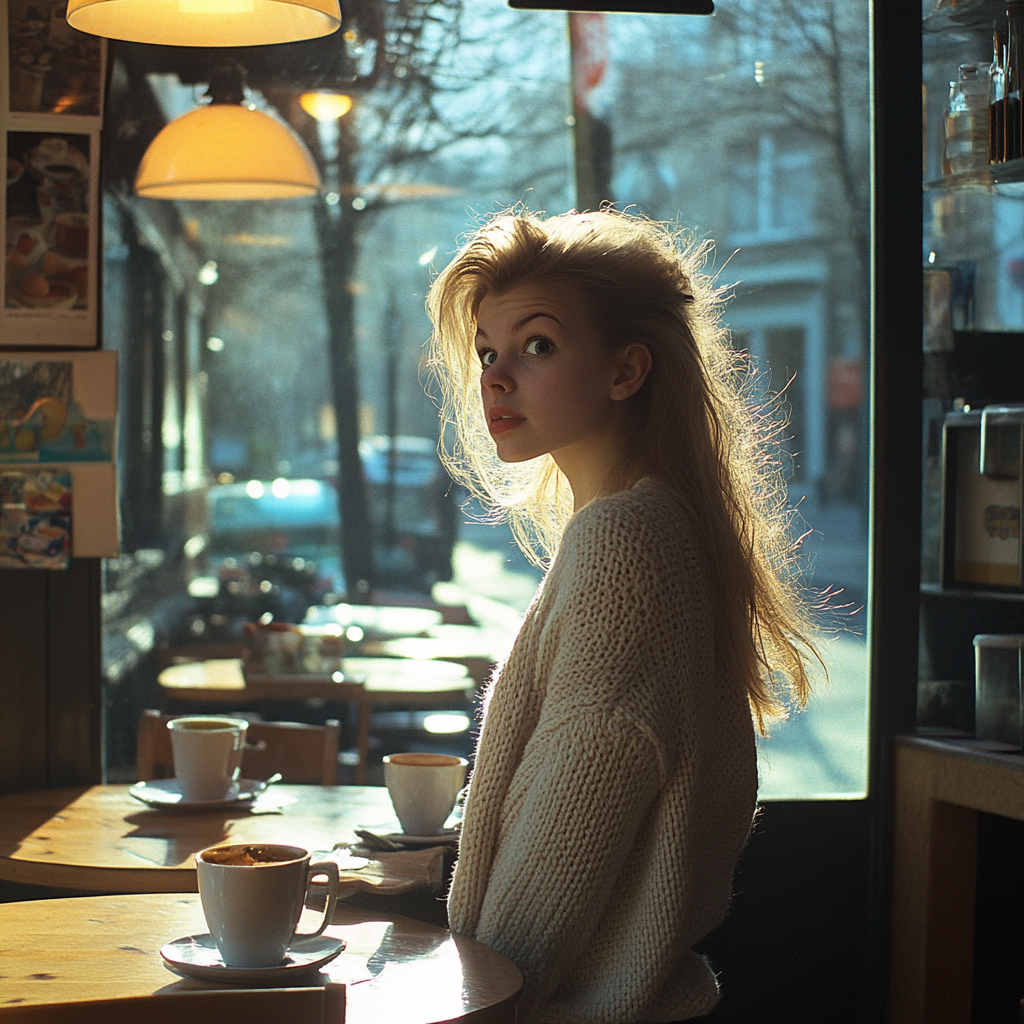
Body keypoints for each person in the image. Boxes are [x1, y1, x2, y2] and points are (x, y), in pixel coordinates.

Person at [425, 207, 820, 1024]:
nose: (497, 378)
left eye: (537, 346)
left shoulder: (626, 540)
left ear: (625, 370)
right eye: (489, 352)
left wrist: (481, 1005)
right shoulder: (643, 521)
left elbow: (574, 815)